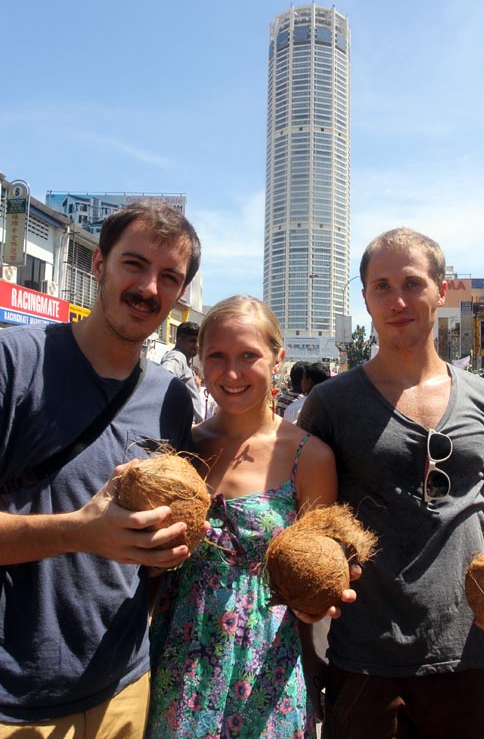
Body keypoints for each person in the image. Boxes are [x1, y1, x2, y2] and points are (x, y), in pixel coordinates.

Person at [299, 227, 484, 739]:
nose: (397, 299)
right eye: (381, 286)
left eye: (412, 282)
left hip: (471, 653)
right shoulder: (331, 404)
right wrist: (305, 648)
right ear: (364, 299)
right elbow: (309, 530)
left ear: (441, 290)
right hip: (365, 658)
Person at [0, 201, 202, 736]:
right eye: (133, 264)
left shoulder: (172, 401)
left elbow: (153, 557)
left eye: (169, 277)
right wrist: (80, 532)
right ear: (97, 265)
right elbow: (93, 534)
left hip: (123, 690)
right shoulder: (14, 363)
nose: (149, 288)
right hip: (11, 700)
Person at [146, 295, 358, 739]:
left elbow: (314, 575)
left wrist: (319, 621)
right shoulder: (182, 446)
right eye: (217, 357)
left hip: (267, 667)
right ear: (200, 362)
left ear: (278, 358)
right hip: (176, 658)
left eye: (249, 356)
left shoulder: (310, 456)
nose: (232, 372)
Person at [161, 321, 204, 424]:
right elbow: (163, 379)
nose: (196, 345)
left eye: (198, 342)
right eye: (193, 341)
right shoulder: (176, 357)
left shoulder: (184, 361)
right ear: (179, 339)